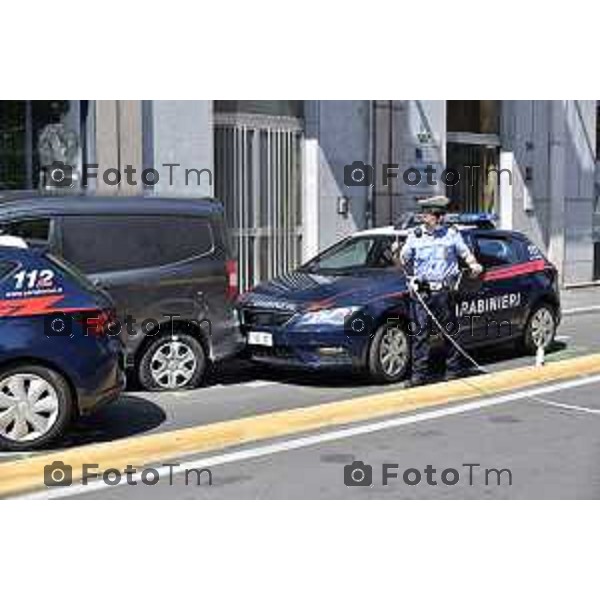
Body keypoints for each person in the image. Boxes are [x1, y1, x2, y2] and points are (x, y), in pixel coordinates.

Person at [399, 196, 483, 387]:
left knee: (450, 331)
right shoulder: (415, 236)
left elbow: (464, 252)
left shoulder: (451, 234)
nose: (439, 219)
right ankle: (419, 375)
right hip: (422, 293)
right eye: (435, 215)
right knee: (420, 334)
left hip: (444, 292)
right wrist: (399, 253)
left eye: (440, 215)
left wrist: (473, 264)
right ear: (425, 216)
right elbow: (404, 259)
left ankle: (452, 370)